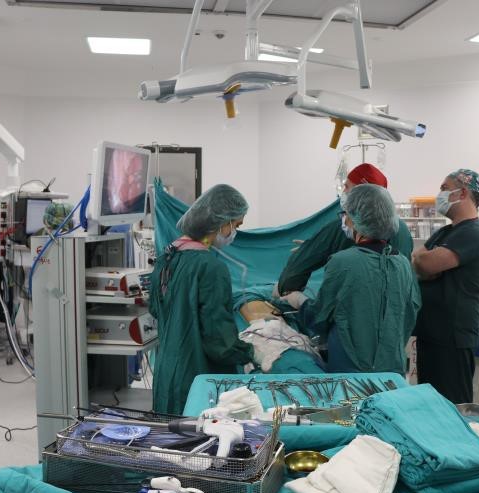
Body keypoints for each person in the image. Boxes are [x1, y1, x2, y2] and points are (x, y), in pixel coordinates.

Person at [282, 184, 421, 374]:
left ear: (356, 220)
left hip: (352, 372)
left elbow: (320, 317)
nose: (344, 220)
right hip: (392, 369)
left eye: (346, 214)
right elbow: (410, 313)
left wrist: (301, 302)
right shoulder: (402, 264)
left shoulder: (343, 262)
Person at [149, 184, 255, 414]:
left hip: (167, 373)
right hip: (197, 377)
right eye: (236, 225)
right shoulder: (211, 267)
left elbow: (156, 310)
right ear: (221, 222)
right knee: (199, 433)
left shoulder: (166, 258)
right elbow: (220, 342)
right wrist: (250, 352)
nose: (234, 232)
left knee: (168, 431)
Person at [411, 169, 479, 404]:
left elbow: (426, 263)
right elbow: (417, 260)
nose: (440, 195)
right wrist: (424, 264)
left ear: (462, 193)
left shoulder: (473, 233)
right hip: (432, 334)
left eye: (444, 189)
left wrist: (425, 263)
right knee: (430, 405)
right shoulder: (447, 231)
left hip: (451, 339)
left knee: (452, 408)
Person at [276, 163, 414, 296]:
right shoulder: (402, 231)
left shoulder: (345, 227)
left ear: (360, 193)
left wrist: (287, 292)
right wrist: (314, 248)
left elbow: (295, 272)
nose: (343, 192)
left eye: (347, 187)